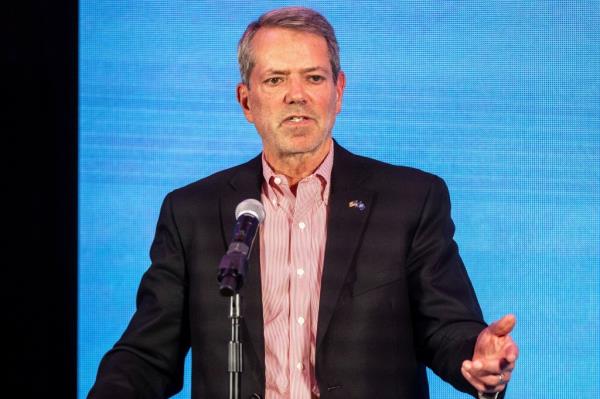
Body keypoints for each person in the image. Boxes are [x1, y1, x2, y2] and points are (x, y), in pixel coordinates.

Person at [88, 7, 518, 399]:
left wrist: (477, 358)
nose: (297, 95)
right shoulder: (192, 213)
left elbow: (446, 328)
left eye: (313, 78)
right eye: (276, 80)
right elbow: (147, 355)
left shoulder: (410, 200)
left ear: (339, 90)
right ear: (246, 101)